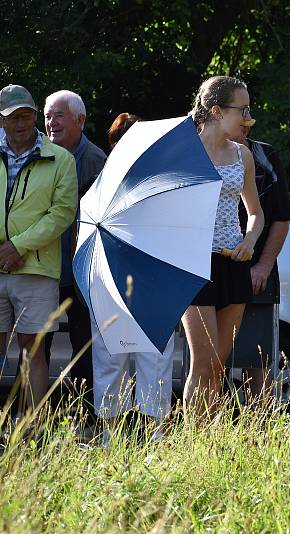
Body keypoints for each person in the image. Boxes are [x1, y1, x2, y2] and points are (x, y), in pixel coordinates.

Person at [90, 112, 174, 440]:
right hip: (112, 283)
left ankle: (155, 439)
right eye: (119, 141)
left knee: (153, 359)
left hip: (152, 284)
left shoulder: (162, 183)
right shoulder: (101, 184)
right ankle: (112, 440)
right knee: (112, 360)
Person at [183, 76, 264, 415]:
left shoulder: (242, 154)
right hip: (193, 264)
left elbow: (257, 214)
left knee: (218, 365)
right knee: (202, 362)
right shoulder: (184, 151)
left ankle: (206, 444)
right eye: (241, 109)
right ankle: (192, 443)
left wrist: (250, 239)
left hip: (234, 263)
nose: (247, 117)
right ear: (216, 111)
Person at [0, 85, 77, 418]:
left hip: (37, 269)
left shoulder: (61, 158)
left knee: (33, 351)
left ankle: (34, 428)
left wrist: (17, 246)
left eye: (27, 116)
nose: (21, 123)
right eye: (12, 117)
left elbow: (61, 213)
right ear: (1, 121)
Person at [43, 90, 107, 418]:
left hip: (82, 270)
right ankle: (35, 414)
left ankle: (83, 414)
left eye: (59, 116)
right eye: (48, 116)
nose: (51, 123)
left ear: (80, 120)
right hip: (44, 267)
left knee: (85, 343)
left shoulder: (96, 161)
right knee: (38, 342)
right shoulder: (38, 157)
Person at [229, 121, 290, 401]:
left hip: (256, 274)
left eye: (245, 124)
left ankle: (260, 430)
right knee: (211, 358)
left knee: (259, 359)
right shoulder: (201, 155)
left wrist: (263, 265)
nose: (242, 129)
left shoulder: (266, 157)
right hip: (214, 272)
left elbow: (281, 217)